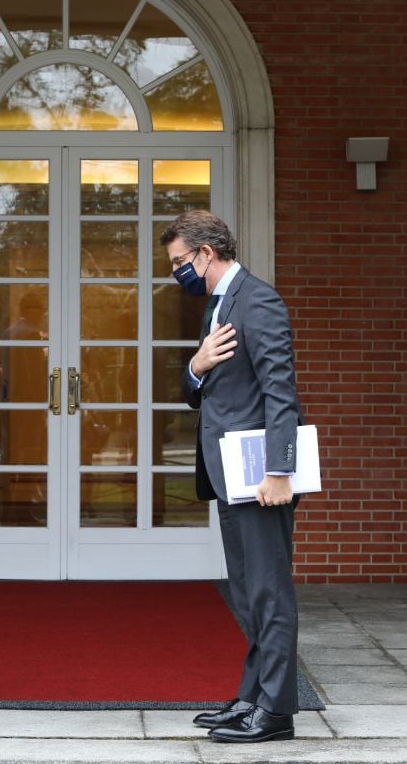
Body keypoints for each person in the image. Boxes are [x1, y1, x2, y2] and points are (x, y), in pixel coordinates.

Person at [161, 210, 301, 744]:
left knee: (269, 592)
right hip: (228, 474)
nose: (177, 272)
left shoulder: (258, 300)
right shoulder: (218, 305)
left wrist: (279, 470)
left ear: (205, 254)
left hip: (261, 475)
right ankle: (252, 696)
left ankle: (277, 711)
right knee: (245, 592)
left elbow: (279, 391)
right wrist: (195, 366)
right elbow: (201, 387)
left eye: (180, 262)